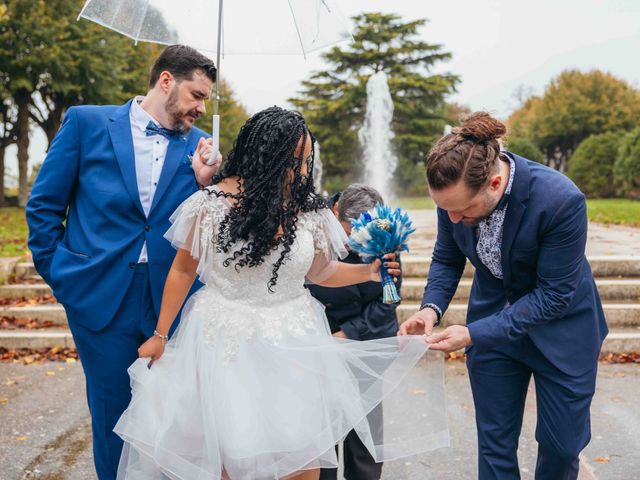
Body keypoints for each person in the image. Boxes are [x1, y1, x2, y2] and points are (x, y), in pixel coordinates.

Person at [114, 106, 448, 480]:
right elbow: (182, 269)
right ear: (264, 156)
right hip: (223, 344)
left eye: (306, 162)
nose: (302, 171)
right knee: (230, 455)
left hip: (296, 343)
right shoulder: (207, 205)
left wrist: (367, 272)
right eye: (294, 162)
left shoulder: (309, 212)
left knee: (302, 455)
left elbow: (322, 271)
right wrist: (161, 334)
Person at [25, 45, 220, 480]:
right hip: (98, 294)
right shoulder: (85, 122)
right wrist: (62, 276)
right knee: (112, 413)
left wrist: (210, 184)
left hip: (173, 298)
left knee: (175, 416)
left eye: (206, 100)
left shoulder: (203, 149)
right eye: (196, 94)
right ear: (166, 80)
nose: (200, 107)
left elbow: (209, 227)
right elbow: (43, 208)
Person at [399, 112, 608, 480]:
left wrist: (474, 333)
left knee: (561, 448)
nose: (452, 219)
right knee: (494, 445)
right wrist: (430, 309)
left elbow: (554, 296)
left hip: (563, 332)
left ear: (495, 182)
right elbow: (447, 258)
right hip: (494, 330)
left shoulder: (561, 200)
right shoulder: (454, 193)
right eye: (445, 208)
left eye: (462, 210)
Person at [308, 184, 400, 480]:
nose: (354, 242)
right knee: (319, 429)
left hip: (367, 336)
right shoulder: (309, 223)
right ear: (335, 210)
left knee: (364, 432)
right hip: (319, 334)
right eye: (350, 232)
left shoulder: (385, 232)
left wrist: (349, 333)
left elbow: (389, 297)